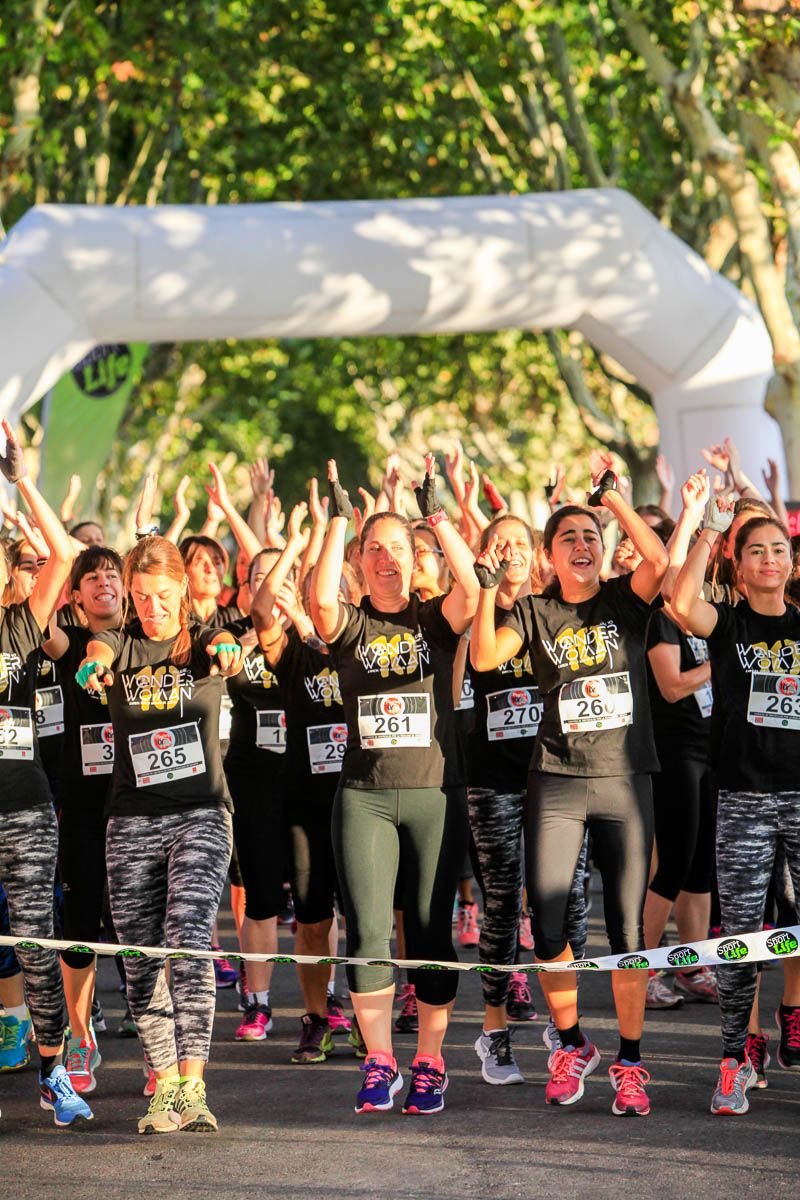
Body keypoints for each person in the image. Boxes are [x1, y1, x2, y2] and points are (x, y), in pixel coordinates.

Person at [470, 465, 669, 1116]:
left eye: (591, 537)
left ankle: (630, 1063)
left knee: (627, 929)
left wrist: (611, 499)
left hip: (624, 781)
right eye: (568, 538)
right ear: (548, 555)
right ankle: (572, 1043)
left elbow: (659, 560)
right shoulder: (534, 610)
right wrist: (485, 591)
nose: (582, 545)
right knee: (550, 922)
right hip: (556, 780)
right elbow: (483, 658)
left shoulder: (623, 600)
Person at [310, 455, 478, 1115]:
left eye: (398, 549)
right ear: (359, 561)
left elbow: (474, 589)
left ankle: (430, 1062)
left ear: (415, 558)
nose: (386, 559)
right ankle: (380, 1061)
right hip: (365, 796)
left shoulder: (434, 619)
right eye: (374, 550)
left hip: (435, 792)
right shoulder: (351, 625)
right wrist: (335, 525)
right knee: (370, 932)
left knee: (433, 932)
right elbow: (320, 602)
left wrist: (435, 514)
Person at [76, 535, 243, 1134]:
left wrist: (227, 651)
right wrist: (95, 663)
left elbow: (225, 647)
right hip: (132, 820)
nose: (153, 607)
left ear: (183, 589)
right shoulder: (119, 644)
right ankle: (165, 1083)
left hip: (201, 812)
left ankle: (194, 1084)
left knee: (188, 934)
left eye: (164, 595)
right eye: (142, 596)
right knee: (141, 955)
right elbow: (98, 647)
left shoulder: (203, 639)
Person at [672, 484, 800, 1116]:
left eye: (779, 549)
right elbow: (679, 601)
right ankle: (734, 1059)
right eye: (756, 551)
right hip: (744, 799)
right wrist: (709, 527)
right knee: (742, 937)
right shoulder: (728, 623)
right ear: (739, 566)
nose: (769, 559)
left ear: (791, 562)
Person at [0, 420, 91, 1126]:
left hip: (26, 807)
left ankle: (54, 1071)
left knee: (36, 942)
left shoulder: (21, 625)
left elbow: (64, 554)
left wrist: (23, 481)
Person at [250, 500, 352, 1063]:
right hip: (306, 806)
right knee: (312, 923)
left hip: (365, 800)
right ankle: (315, 1017)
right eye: (317, 593)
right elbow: (260, 608)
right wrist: (295, 541)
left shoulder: (369, 649)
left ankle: (364, 1018)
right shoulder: (292, 655)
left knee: (368, 925)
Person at [42, 546, 124, 1093]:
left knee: (145, 930)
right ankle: (80, 1036)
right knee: (79, 927)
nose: (103, 583)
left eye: (111, 574)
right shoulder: (68, 644)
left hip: (143, 808)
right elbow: (43, 626)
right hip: (83, 808)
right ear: (75, 595)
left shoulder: (144, 641)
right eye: (90, 577)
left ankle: (159, 1047)